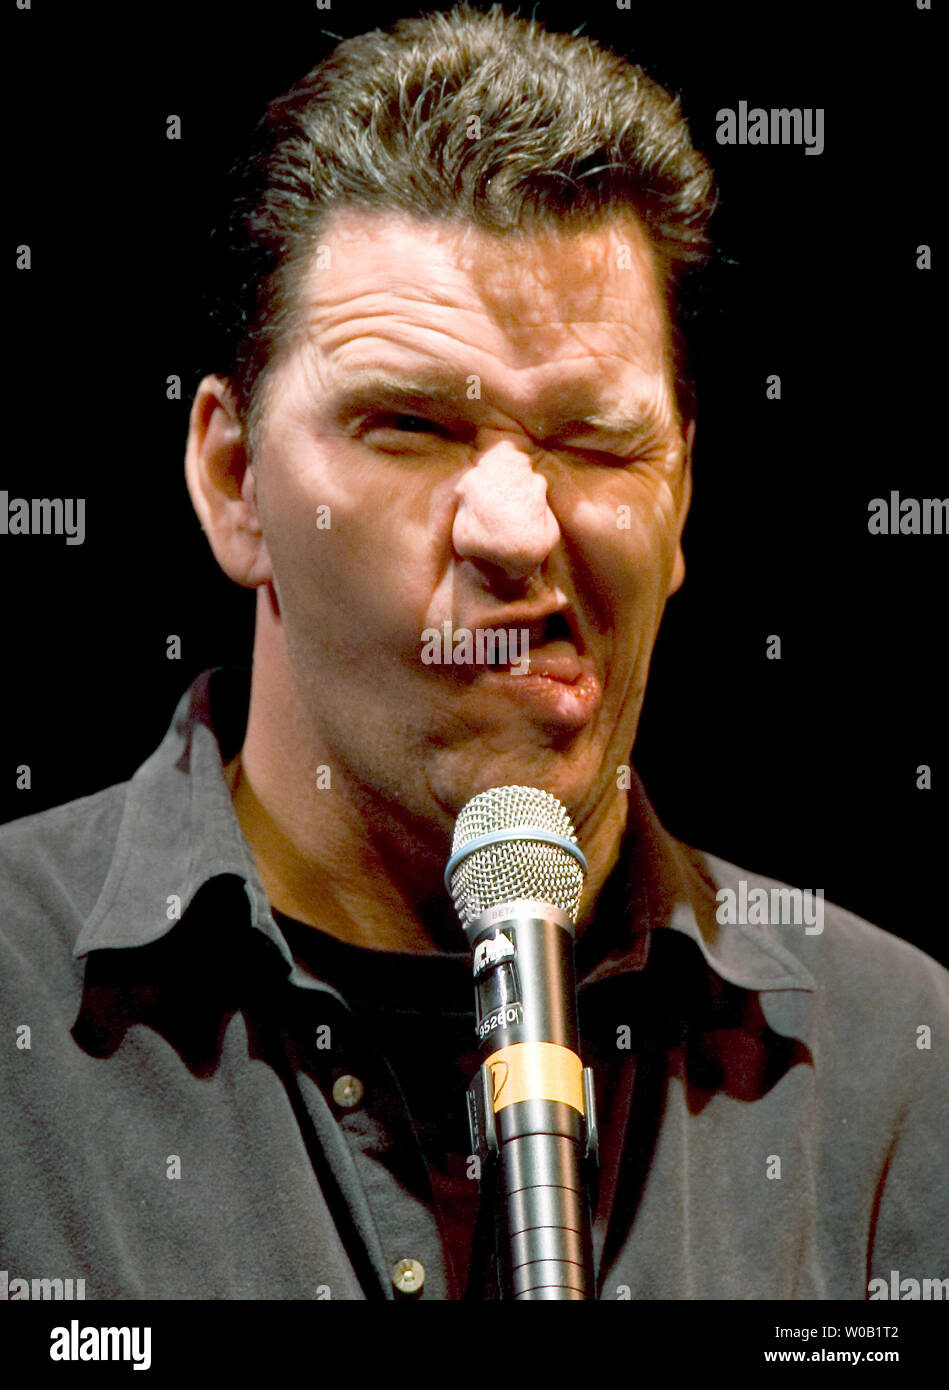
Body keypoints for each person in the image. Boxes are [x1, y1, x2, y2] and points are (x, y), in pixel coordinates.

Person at [1, 3, 946, 1303]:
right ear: (234, 483)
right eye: (411, 427)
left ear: (681, 501)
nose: (514, 527)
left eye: (597, 442)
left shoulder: (899, 1065)